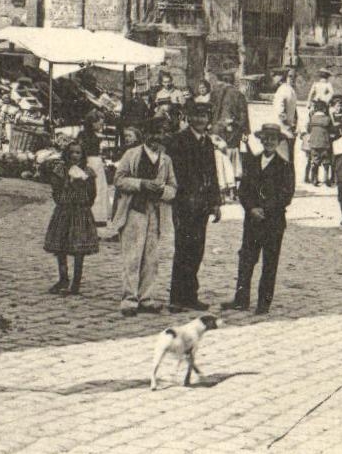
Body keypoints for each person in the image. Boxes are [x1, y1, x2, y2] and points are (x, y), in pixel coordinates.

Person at [224, 121, 295, 314]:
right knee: (246, 259)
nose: (269, 142)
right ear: (261, 140)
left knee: (269, 262)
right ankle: (241, 300)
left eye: (273, 139)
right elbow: (243, 190)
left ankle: (264, 303)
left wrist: (266, 208)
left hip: (273, 222)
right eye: (266, 139)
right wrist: (251, 208)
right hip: (253, 221)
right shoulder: (252, 162)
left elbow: (286, 195)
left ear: (278, 142)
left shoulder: (285, 166)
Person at [111, 112, 177, 315]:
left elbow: (173, 186)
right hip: (134, 210)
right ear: (145, 134)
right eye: (153, 133)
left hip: (155, 212)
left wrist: (163, 191)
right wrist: (141, 184)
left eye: (161, 133)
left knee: (151, 256)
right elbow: (119, 179)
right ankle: (129, 298)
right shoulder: (132, 155)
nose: (157, 138)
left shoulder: (165, 160)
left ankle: (147, 297)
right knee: (132, 254)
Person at [168, 100, 221, 311]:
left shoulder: (206, 142)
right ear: (189, 117)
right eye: (196, 116)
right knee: (183, 249)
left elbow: (212, 173)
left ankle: (190, 295)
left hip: (202, 204)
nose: (200, 120)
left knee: (197, 249)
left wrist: (215, 202)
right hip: (184, 203)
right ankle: (176, 297)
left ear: (208, 119)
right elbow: (176, 174)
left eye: (204, 116)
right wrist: (182, 197)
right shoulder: (179, 140)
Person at [43, 139, 99, 296]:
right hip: (64, 211)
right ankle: (63, 278)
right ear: (67, 154)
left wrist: (84, 197)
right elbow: (56, 190)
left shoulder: (88, 172)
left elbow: (92, 194)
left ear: (83, 155)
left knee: (78, 249)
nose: (75, 156)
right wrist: (68, 185)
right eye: (72, 152)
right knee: (60, 247)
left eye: (78, 153)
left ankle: (76, 282)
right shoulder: (60, 170)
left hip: (80, 211)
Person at [79, 111, 112, 226]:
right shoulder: (85, 135)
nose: (101, 126)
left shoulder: (91, 135)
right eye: (99, 124)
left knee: (99, 188)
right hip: (90, 162)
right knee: (94, 187)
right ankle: (92, 214)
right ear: (92, 123)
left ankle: (97, 215)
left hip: (96, 162)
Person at [272, 69, 299, 163]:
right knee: (287, 160)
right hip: (285, 130)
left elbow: (282, 112)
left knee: (283, 159)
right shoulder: (288, 90)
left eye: (294, 76)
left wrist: (290, 125)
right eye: (290, 76)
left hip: (283, 131)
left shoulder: (284, 90)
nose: (293, 79)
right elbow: (281, 111)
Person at [304, 102, 334, 186]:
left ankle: (314, 179)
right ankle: (326, 179)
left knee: (315, 161)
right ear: (324, 109)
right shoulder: (327, 119)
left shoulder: (312, 118)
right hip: (324, 143)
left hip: (314, 143)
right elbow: (331, 129)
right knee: (326, 161)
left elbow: (308, 129)